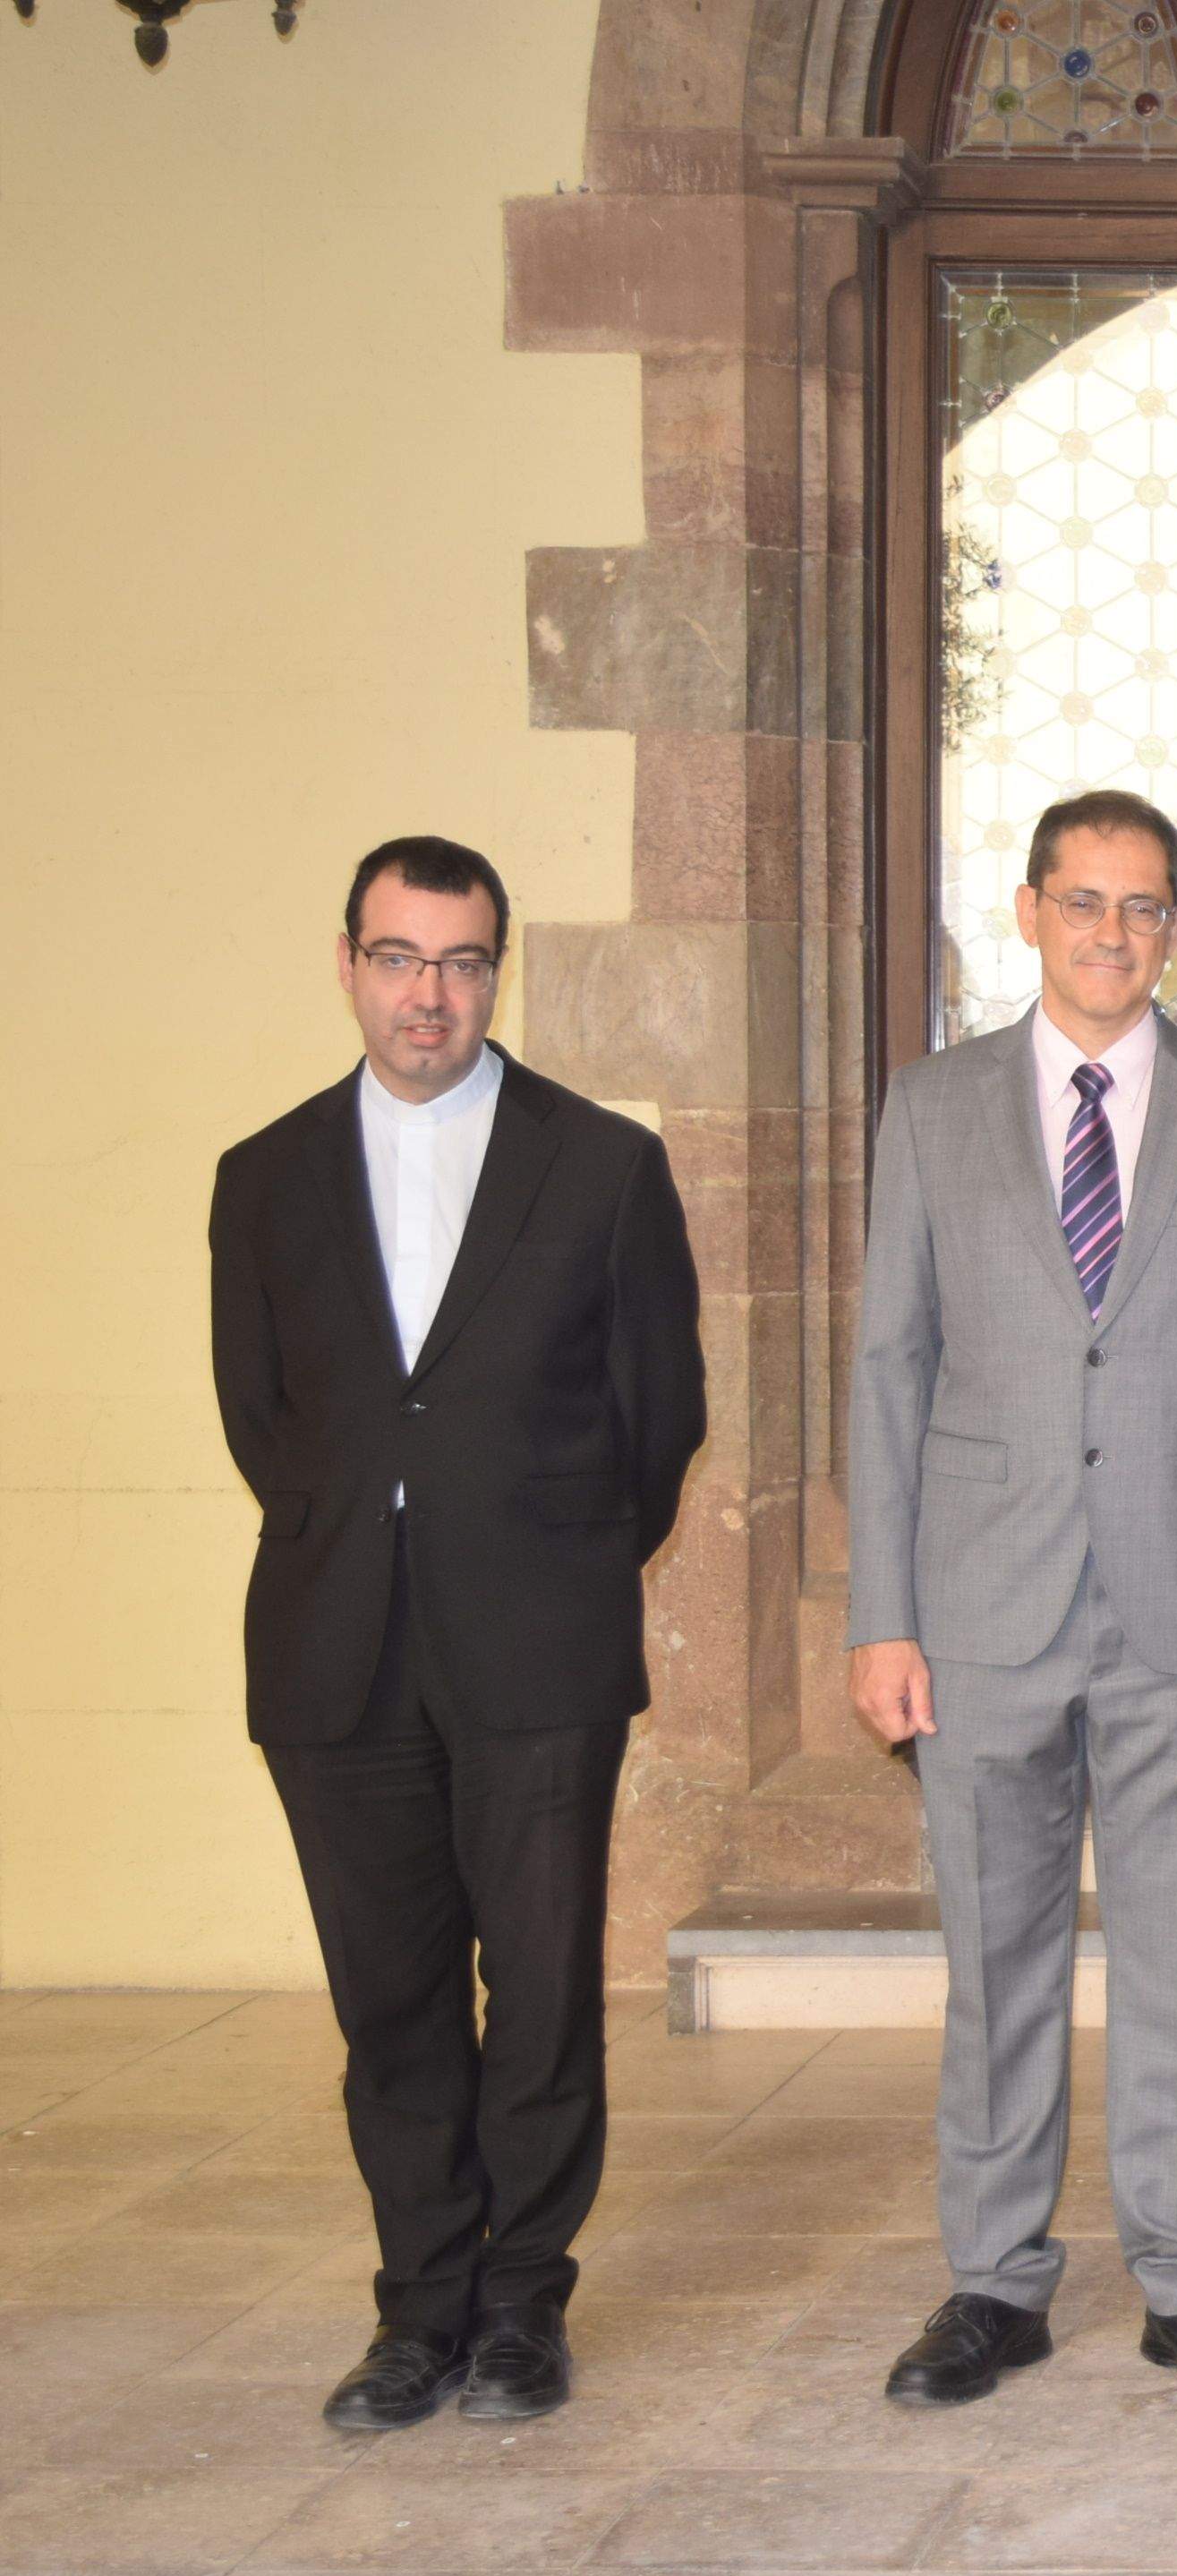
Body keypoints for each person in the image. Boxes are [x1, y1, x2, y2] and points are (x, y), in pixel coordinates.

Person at [209, 835, 708, 2432]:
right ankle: (417, 2308)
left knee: (545, 1991)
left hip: (540, 1647)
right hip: (333, 1649)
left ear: (501, 971)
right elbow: (261, 1418)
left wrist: (543, 1552)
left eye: (462, 962)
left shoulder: (600, 1165)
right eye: (399, 957)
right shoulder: (263, 1175)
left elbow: (659, 1415)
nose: (430, 994)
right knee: (392, 1999)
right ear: (347, 962)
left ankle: (521, 2306)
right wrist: (378, 1532)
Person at [847, 789, 1177, 2408]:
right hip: (980, 1608)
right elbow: (890, 1370)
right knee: (999, 1962)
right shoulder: (931, 1108)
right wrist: (881, 1618)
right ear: (1031, 911)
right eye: (1084, 901)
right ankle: (995, 2280)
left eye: (1143, 906)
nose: (1112, 932)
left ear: (1174, 927)